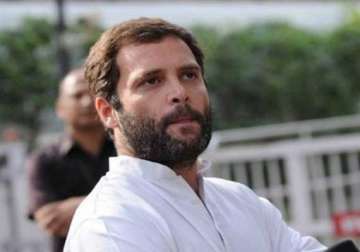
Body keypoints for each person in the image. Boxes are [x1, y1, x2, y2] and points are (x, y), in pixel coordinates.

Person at [64, 18, 327, 252]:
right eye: (152, 81)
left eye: (189, 75)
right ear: (108, 111)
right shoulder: (111, 223)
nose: (180, 92)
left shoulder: (240, 201)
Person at [27, 68, 116, 252]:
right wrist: (121, 204)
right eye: (77, 96)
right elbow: (50, 220)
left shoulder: (127, 150)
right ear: (60, 108)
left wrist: (75, 207)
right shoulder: (44, 160)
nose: (87, 102)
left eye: (93, 94)